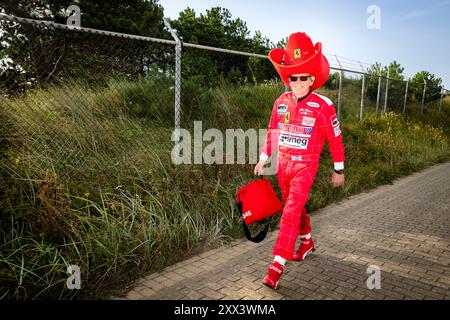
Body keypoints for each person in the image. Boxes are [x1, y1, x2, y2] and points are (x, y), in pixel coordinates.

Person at [254, 32, 345, 290]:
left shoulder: (323, 105)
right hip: (283, 165)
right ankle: (306, 241)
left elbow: (336, 141)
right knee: (292, 208)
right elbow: (272, 132)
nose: (296, 82)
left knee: (290, 212)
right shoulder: (280, 102)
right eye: (292, 77)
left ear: (312, 78)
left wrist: (338, 169)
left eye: (302, 77)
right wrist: (263, 158)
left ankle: (276, 266)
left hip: (306, 166)